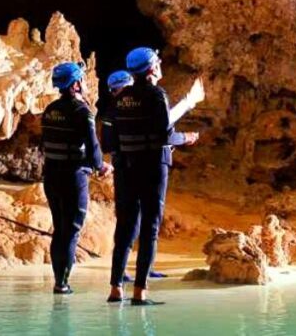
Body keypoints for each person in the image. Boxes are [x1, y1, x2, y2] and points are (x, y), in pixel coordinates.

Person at [106, 47, 204, 305]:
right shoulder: (156, 95)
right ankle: (140, 292)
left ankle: (115, 288)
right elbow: (164, 135)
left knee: (126, 226)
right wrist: (186, 138)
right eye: (158, 62)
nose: (161, 65)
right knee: (149, 226)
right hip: (152, 167)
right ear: (151, 69)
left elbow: (113, 141)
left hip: (127, 167)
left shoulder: (120, 98)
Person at [41, 62, 111, 294]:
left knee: (59, 228)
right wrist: (101, 167)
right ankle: (63, 283)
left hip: (51, 176)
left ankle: (57, 280)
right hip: (73, 177)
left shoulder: (50, 110)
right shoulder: (82, 112)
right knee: (71, 230)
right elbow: (93, 148)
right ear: (77, 83)